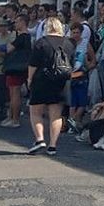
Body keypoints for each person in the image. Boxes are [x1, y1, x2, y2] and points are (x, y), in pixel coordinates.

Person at [26, 16, 73, 155]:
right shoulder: (68, 43)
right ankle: (53, 145)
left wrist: (29, 79)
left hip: (42, 80)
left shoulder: (41, 43)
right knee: (56, 115)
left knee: (36, 112)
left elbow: (33, 64)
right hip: (61, 81)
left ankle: (40, 139)